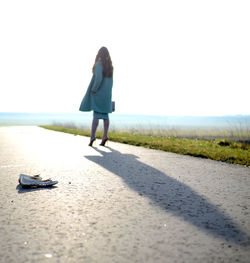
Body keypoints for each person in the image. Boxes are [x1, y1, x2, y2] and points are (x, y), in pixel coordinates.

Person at [79, 47, 113, 146]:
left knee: (96, 116)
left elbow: (98, 78)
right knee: (105, 116)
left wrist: (94, 89)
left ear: (99, 54)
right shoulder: (110, 66)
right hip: (107, 94)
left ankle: (92, 136)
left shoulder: (99, 64)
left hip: (98, 92)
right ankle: (105, 136)